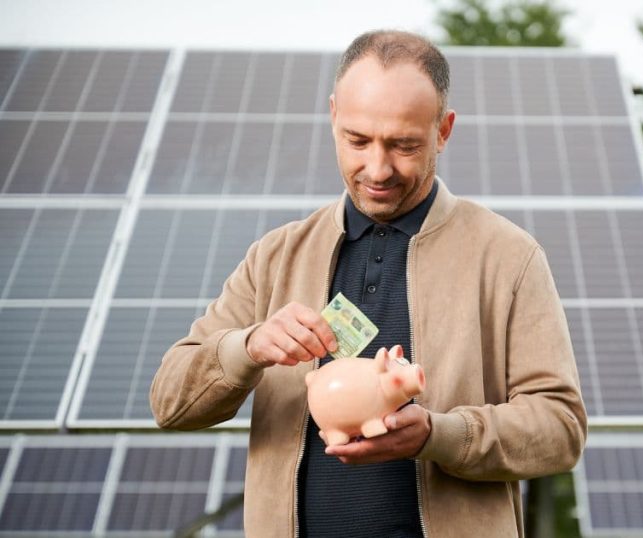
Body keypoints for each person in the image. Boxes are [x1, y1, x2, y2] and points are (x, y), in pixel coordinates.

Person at [150, 29, 587, 538]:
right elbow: (169, 402)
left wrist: (438, 435)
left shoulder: (509, 257)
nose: (377, 169)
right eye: (357, 140)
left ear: (444, 130)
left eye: (404, 145)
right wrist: (247, 347)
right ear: (333, 115)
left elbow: (560, 429)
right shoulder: (275, 257)